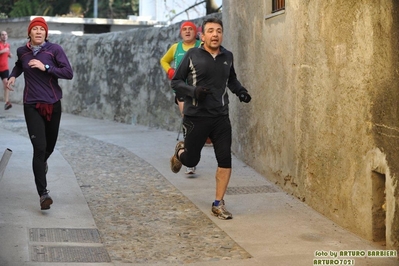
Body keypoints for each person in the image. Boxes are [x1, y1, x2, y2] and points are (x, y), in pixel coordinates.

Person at [170, 17, 252, 220]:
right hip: (196, 117)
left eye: (219, 31)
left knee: (224, 159)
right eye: (211, 31)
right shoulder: (192, 54)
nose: (215, 34)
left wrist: (240, 91)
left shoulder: (227, 56)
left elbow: (230, 79)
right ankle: (180, 151)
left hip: (220, 117)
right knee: (192, 159)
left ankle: (218, 203)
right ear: (202, 36)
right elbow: (176, 82)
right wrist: (193, 91)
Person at [6, 17, 73, 210]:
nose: (38, 32)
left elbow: (68, 73)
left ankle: (41, 165)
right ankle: (43, 194)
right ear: (29, 33)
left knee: (49, 147)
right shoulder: (23, 51)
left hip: (53, 104)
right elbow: (20, 64)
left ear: (46, 33)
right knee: (40, 147)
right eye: (34, 29)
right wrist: (12, 76)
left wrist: (47, 67)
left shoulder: (54, 50)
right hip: (32, 105)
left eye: (41, 29)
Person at [160, 21, 201, 175]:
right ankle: (190, 161)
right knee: (188, 120)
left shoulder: (201, 45)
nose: (188, 31)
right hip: (182, 90)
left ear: (196, 31)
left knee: (199, 122)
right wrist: (170, 71)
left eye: (191, 29)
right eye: (185, 29)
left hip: (199, 90)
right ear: (181, 32)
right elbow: (163, 60)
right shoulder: (175, 48)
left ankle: (185, 151)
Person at [0, 30, 12, 110]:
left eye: (5, 34)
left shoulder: (8, 45)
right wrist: (2, 51)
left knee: (7, 84)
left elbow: (7, 53)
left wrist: (9, 54)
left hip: (4, 68)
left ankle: (6, 102)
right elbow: (3, 52)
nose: (4, 36)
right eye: (2, 35)